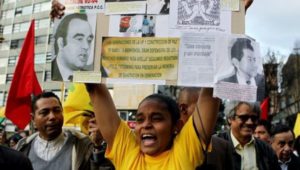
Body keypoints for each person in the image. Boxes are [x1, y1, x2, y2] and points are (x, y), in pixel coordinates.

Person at [86, 84, 220, 169]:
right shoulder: (128, 152)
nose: (146, 125)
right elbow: (95, 89)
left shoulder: (185, 151)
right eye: (140, 120)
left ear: (176, 126)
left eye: (157, 119)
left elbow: (213, 88)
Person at [16, 92, 112, 170]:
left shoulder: (83, 145)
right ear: (33, 119)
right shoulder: (22, 147)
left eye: (57, 110)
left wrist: (98, 146)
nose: (52, 117)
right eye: (45, 112)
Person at [178, 87, 233, 170]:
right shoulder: (165, 143)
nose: (212, 112)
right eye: (204, 106)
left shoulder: (223, 147)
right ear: (183, 108)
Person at [217, 101, 280, 170]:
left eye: (254, 118)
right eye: (243, 117)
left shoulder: (266, 149)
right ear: (230, 118)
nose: (250, 122)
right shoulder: (215, 145)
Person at [52, 13, 94, 81]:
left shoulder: (90, 78)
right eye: (79, 39)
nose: (86, 46)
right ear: (61, 43)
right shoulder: (49, 70)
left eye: (89, 40)